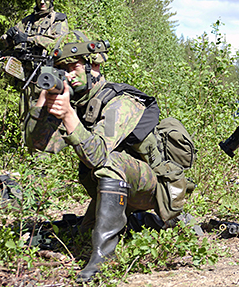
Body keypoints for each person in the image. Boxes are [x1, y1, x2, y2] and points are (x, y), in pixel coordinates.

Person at [23, 30, 189, 282]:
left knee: (110, 161)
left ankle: (103, 261)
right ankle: (143, 222)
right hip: (121, 188)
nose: (68, 74)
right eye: (62, 69)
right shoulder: (79, 102)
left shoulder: (121, 101)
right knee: (84, 232)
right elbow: (39, 146)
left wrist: (68, 116)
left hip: (154, 188)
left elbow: (100, 156)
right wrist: (42, 104)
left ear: (95, 66)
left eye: (74, 67)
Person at [0, 0, 69, 119]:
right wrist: (8, 37)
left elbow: (60, 42)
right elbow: (7, 43)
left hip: (48, 78)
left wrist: (29, 38)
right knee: (25, 118)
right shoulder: (27, 21)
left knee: (44, 120)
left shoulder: (58, 20)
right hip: (27, 79)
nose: (42, 2)